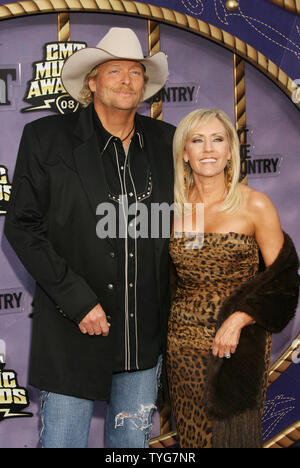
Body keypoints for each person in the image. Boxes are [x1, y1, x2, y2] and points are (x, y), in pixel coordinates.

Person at [4, 27, 175, 448]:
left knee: (131, 450)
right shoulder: (47, 139)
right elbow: (22, 224)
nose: (125, 80)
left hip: (145, 336)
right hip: (75, 329)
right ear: (92, 82)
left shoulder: (168, 142)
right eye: (113, 71)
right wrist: (78, 300)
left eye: (135, 72)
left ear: (145, 84)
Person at [167, 108, 299, 448]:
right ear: (184, 152)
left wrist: (239, 319)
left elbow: (283, 279)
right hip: (182, 345)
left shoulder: (254, 205)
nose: (208, 149)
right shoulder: (173, 209)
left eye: (217, 139)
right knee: (192, 440)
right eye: (197, 140)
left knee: (235, 439)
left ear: (230, 151)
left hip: (237, 347)